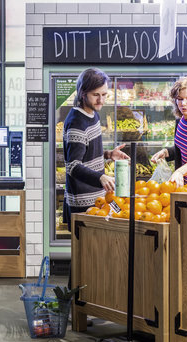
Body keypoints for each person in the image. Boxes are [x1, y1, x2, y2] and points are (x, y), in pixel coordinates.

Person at [62, 68, 130, 230]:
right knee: (88, 251)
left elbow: (86, 151)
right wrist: (100, 177)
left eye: (104, 95)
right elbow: (73, 166)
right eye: (96, 95)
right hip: (83, 202)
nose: (101, 100)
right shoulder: (77, 123)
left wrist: (108, 154)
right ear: (82, 93)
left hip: (98, 197)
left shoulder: (93, 114)